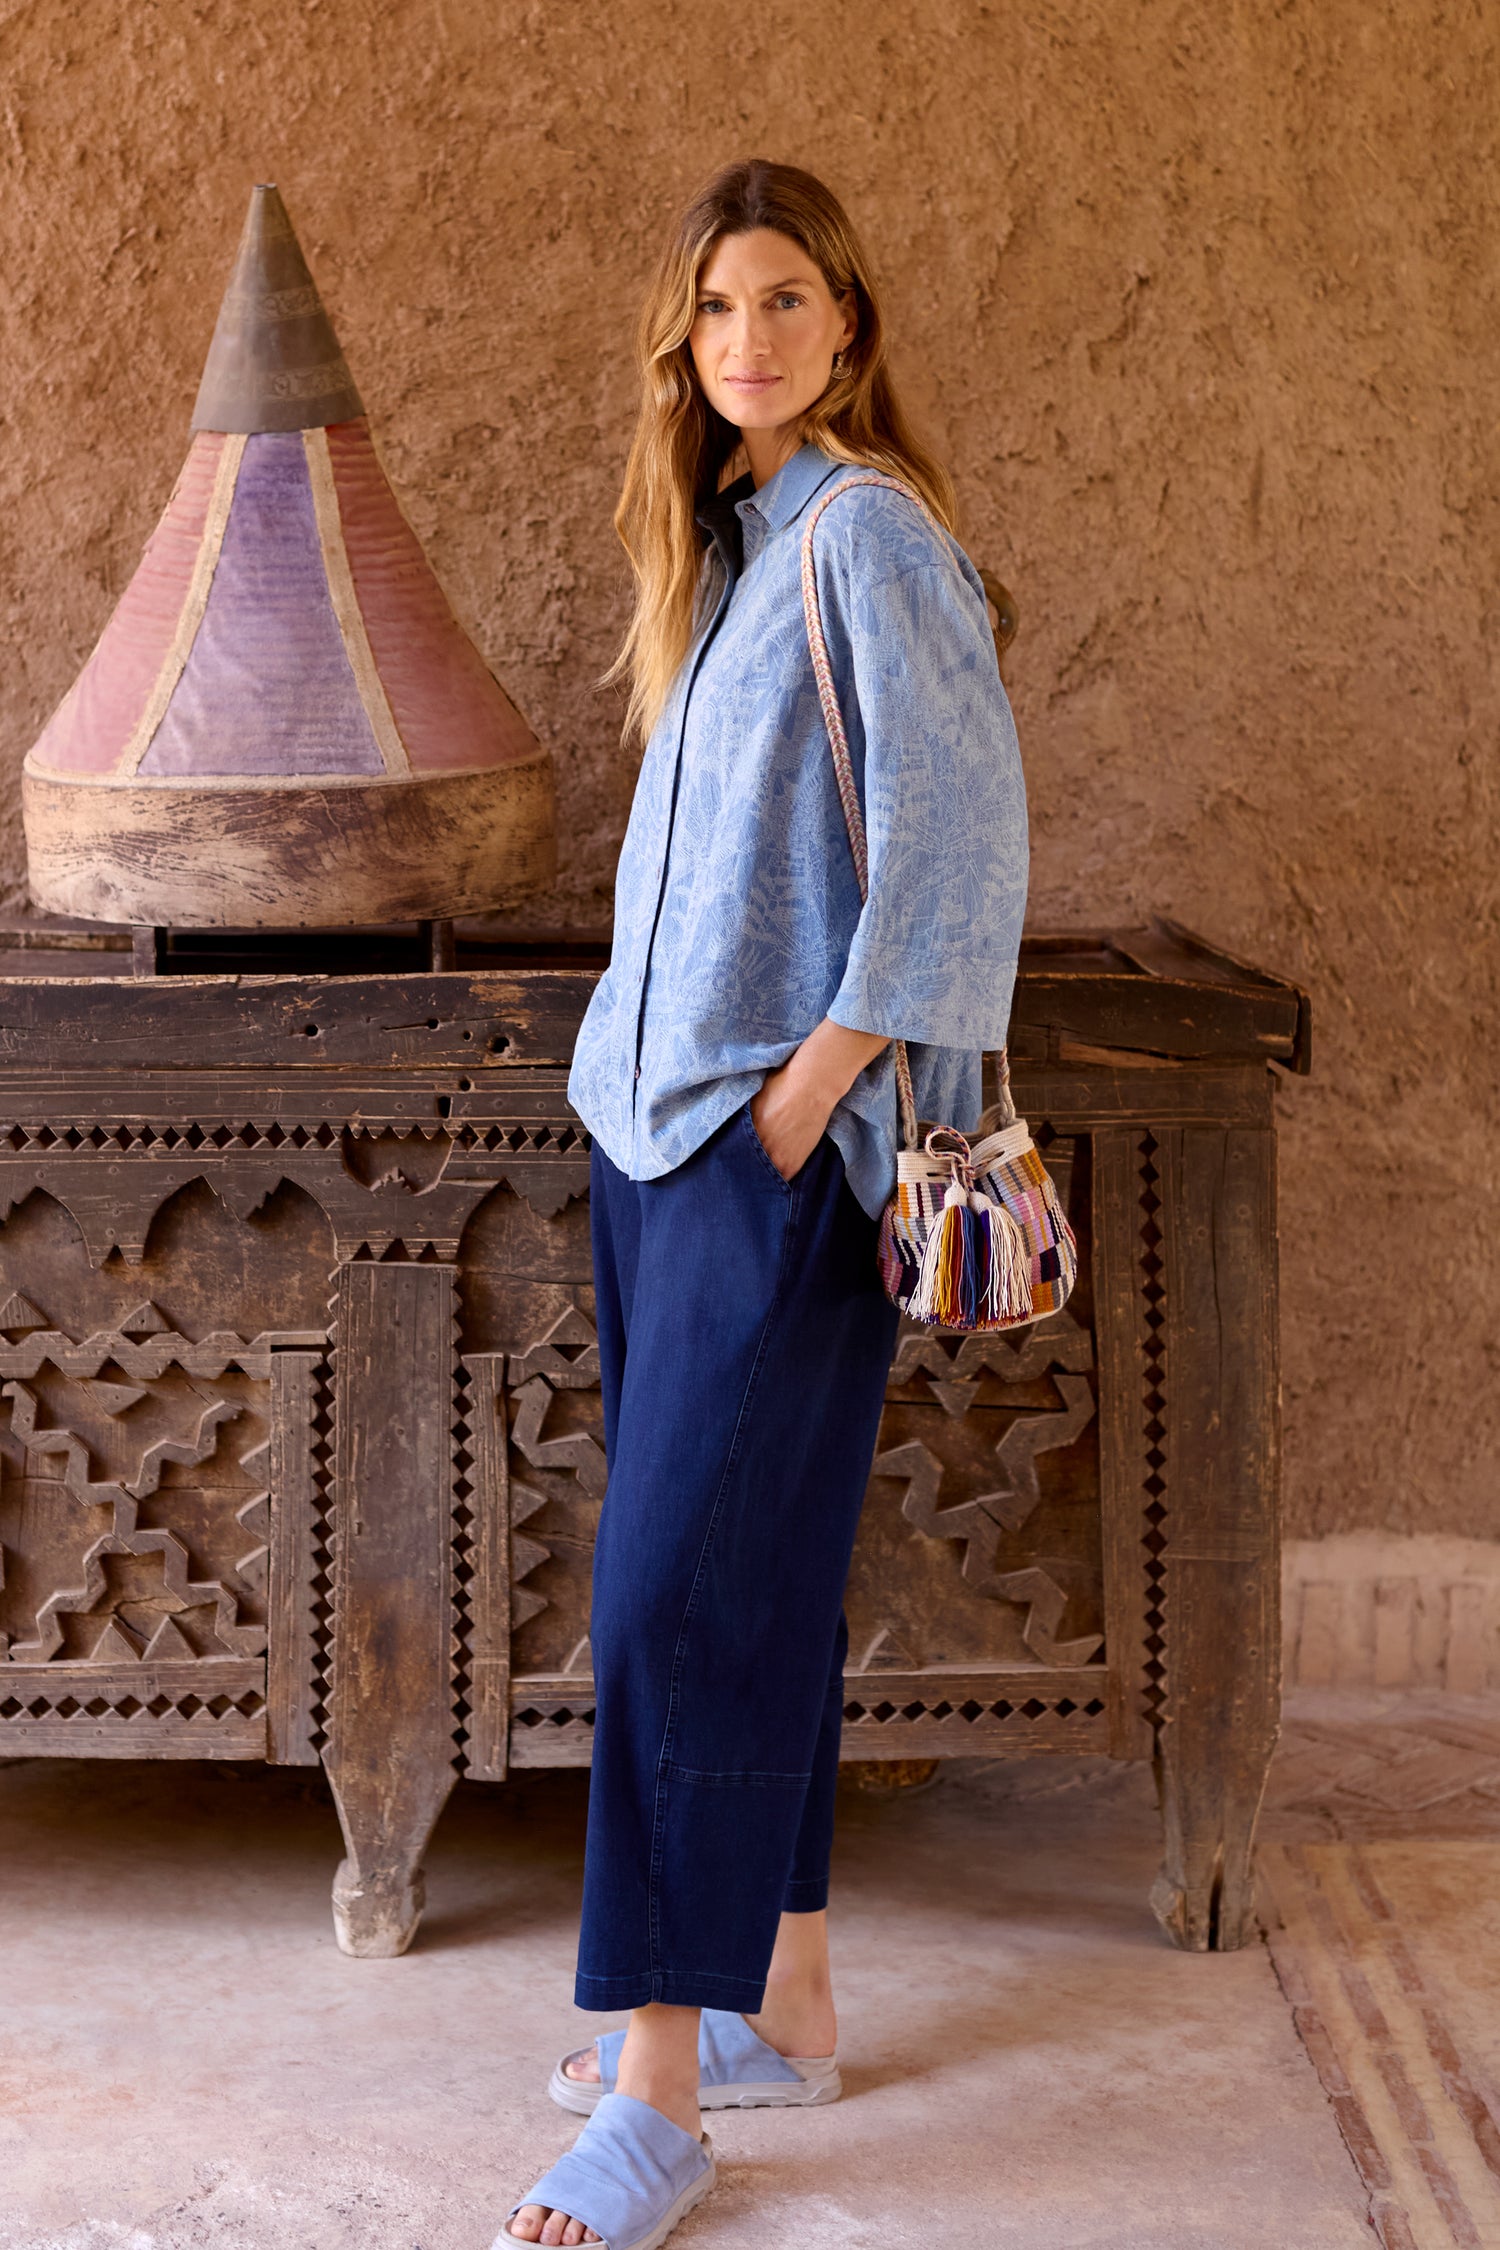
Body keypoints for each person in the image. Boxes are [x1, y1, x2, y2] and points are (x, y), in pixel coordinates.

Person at [500, 156, 1028, 2250]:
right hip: (658, 1151)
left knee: (668, 1607)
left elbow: (961, 858)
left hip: (761, 1157)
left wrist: (804, 1107)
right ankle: (782, 1991)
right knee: (753, 1580)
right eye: (717, 311)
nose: (749, 342)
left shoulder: (872, 538)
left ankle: (654, 2091)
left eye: (785, 301)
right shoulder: (730, 553)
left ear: (851, 323)